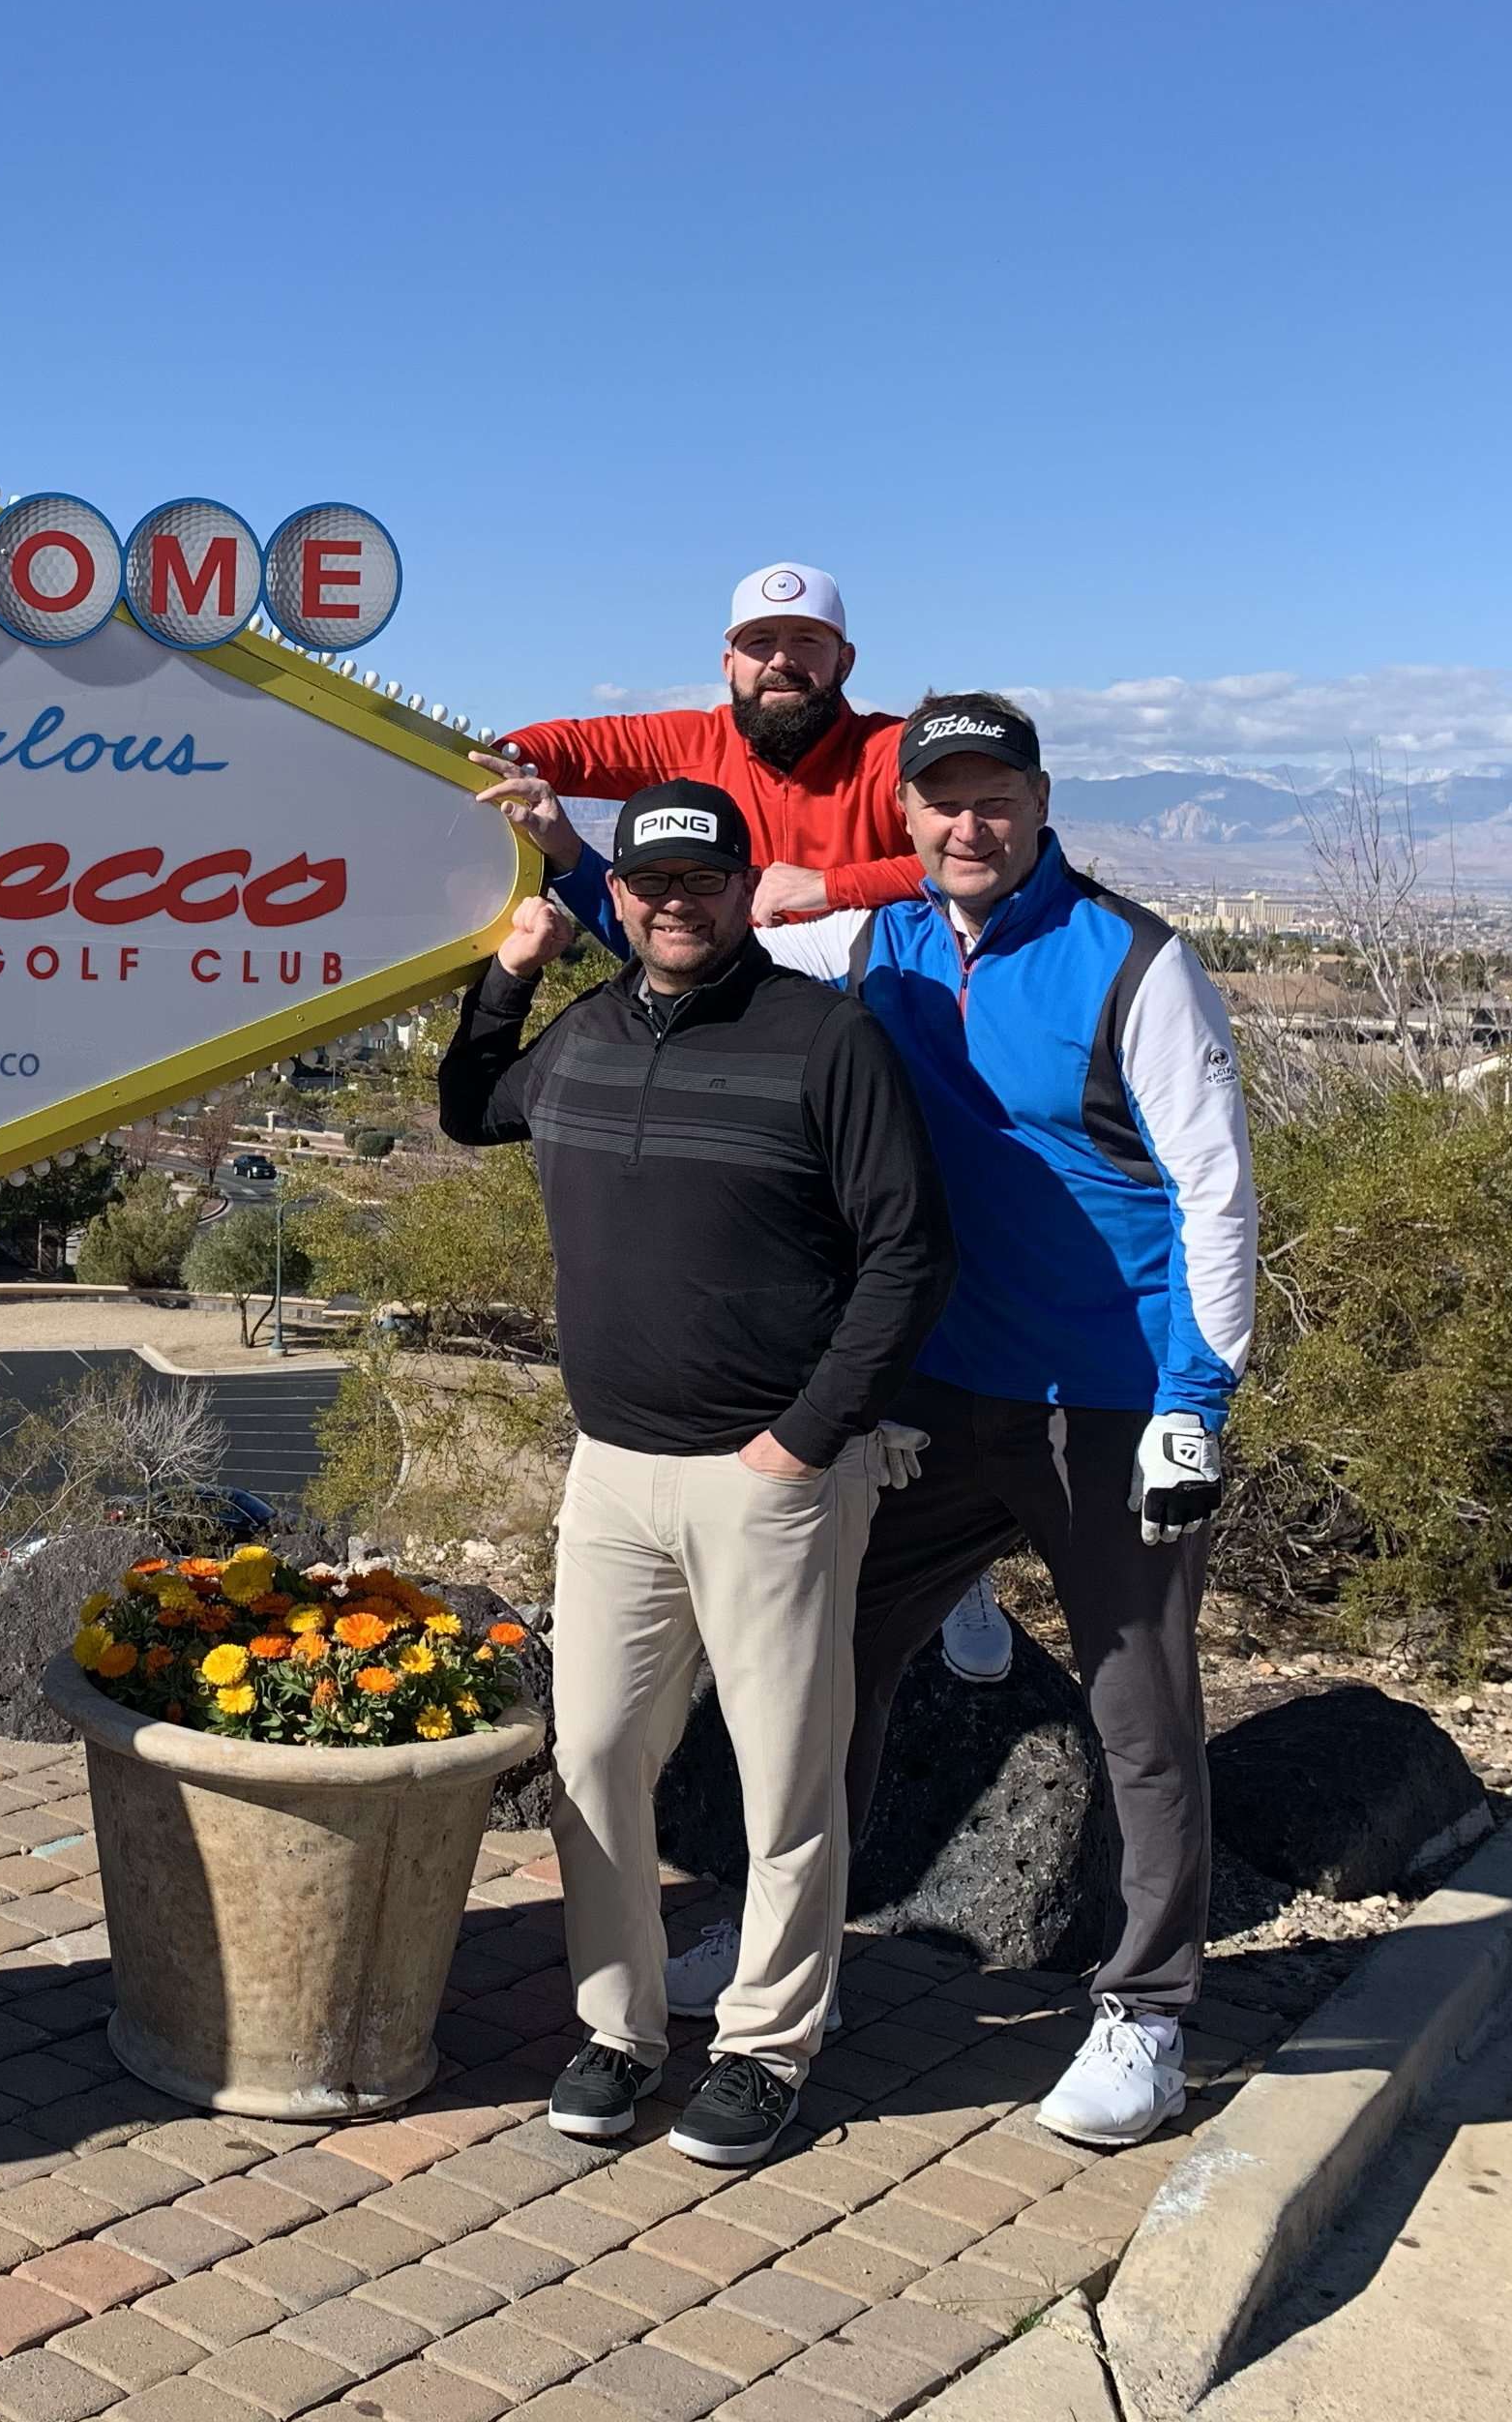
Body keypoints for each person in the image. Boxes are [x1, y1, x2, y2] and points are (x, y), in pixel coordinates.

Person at [706, 691, 1257, 2147]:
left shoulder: (1136, 963)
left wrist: (1198, 1401)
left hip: (1108, 1398)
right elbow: (686, 924)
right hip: (931, 1397)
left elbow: (1215, 1193)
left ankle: (1146, 2015)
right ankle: (781, 1953)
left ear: (1039, 800)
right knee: (820, 1671)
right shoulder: (870, 941)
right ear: (907, 814)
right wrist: (544, 858)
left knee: (1140, 1711)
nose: (969, 821)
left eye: (994, 795)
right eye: (941, 797)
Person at [439, 781, 952, 2166]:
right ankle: (618, 2030)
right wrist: (504, 979)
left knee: (787, 1778)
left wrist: (809, 1435)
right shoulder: (588, 1035)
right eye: (652, 884)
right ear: (623, 898)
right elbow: (473, 1110)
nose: (678, 903)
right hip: (611, 1470)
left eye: (704, 879)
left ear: (742, 886)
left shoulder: (824, 1039)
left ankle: (768, 2046)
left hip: (768, 1477)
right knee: (596, 1754)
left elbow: (909, 1253)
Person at [470, 561, 928, 931]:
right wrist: (480, 769)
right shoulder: (700, 741)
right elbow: (570, 747)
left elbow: (984, 860)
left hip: (873, 999)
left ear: (844, 662)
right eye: (760, 642)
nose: (781, 660)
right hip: (737, 996)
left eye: (806, 640)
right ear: (730, 664)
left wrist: (830, 886)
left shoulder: (895, 750)